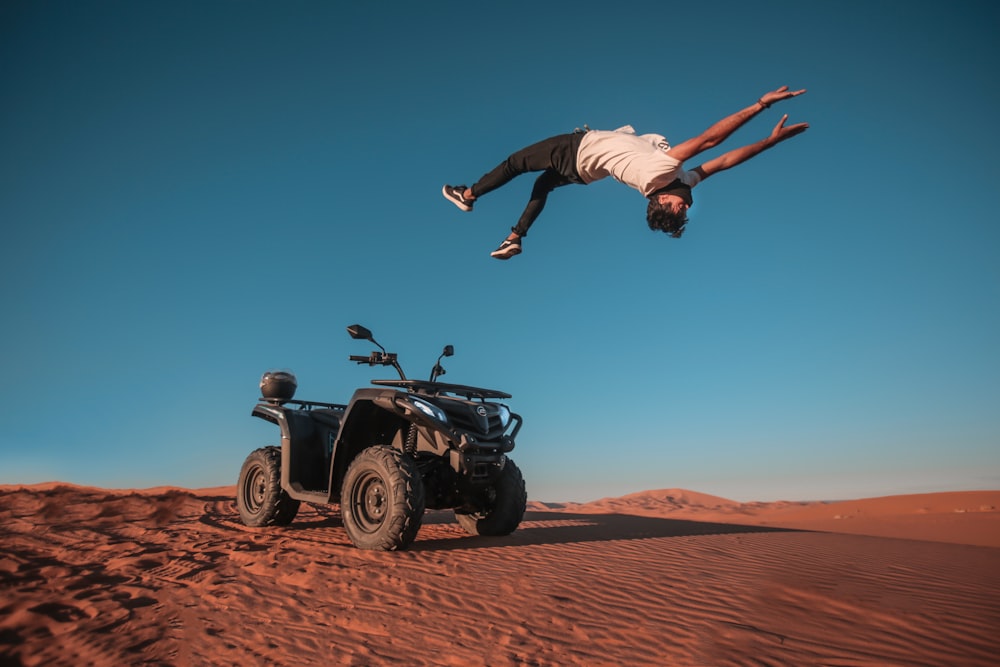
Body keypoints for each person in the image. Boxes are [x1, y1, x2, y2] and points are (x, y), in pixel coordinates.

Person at [442, 85, 809, 259]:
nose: (688, 206)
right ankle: (515, 237)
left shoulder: (659, 172)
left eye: (680, 211)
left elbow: (710, 141)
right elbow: (726, 161)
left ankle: (469, 195)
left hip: (574, 151)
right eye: (685, 211)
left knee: (514, 164)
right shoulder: (683, 180)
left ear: (663, 199)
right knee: (542, 186)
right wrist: (769, 143)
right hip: (584, 172)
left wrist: (760, 105)